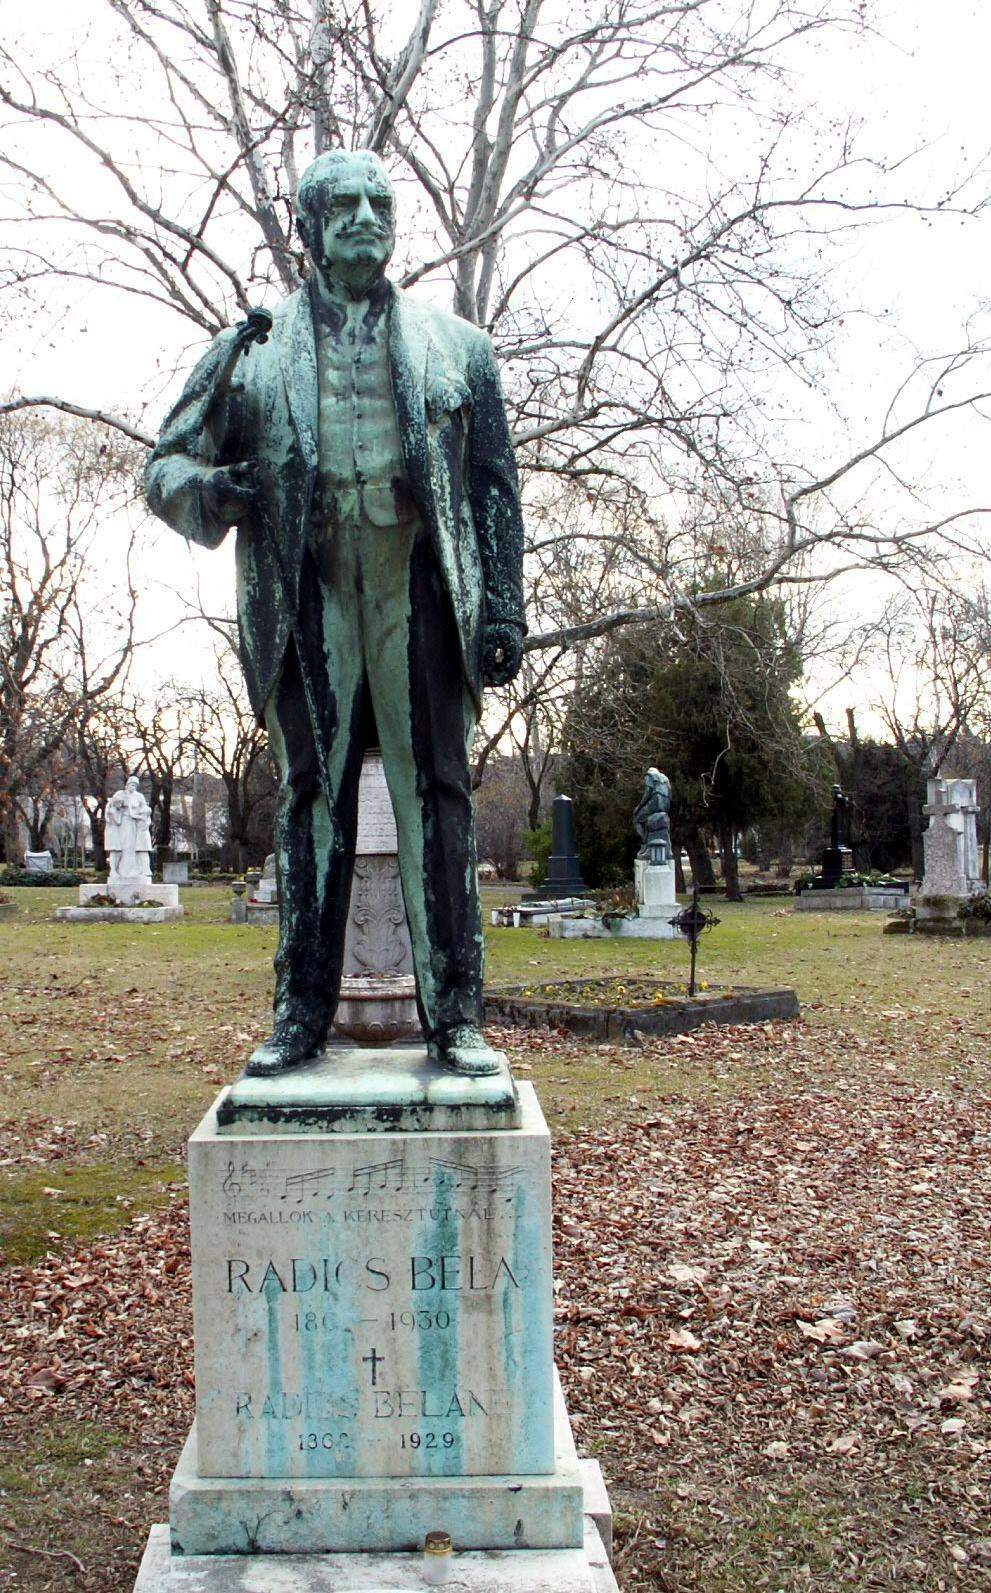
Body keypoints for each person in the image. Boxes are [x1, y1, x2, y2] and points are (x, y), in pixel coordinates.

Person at [145, 150, 526, 1079]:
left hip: (418, 584)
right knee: (313, 797)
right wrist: (213, 489)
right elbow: (165, 467)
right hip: (307, 587)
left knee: (438, 793)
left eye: (378, 203)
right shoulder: (251, 349)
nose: (364, 217)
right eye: (342, 204)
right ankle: (300, 1015)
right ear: (309, 227)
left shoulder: (459, 347)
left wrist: (504, 611)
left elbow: (493, 487)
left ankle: (456, 1017)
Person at [106, 776, 153, 883]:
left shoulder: (139, 796)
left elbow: (145, 809)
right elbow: (111, 806)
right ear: (127, 785)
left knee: (133, 848)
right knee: (120, 847)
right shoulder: (120, 794)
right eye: (132, 784)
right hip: (121, 824)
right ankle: (118, 871)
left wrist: (143, 817)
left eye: (135, 785)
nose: (133, 787)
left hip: (134, 825)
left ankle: (136, 871)